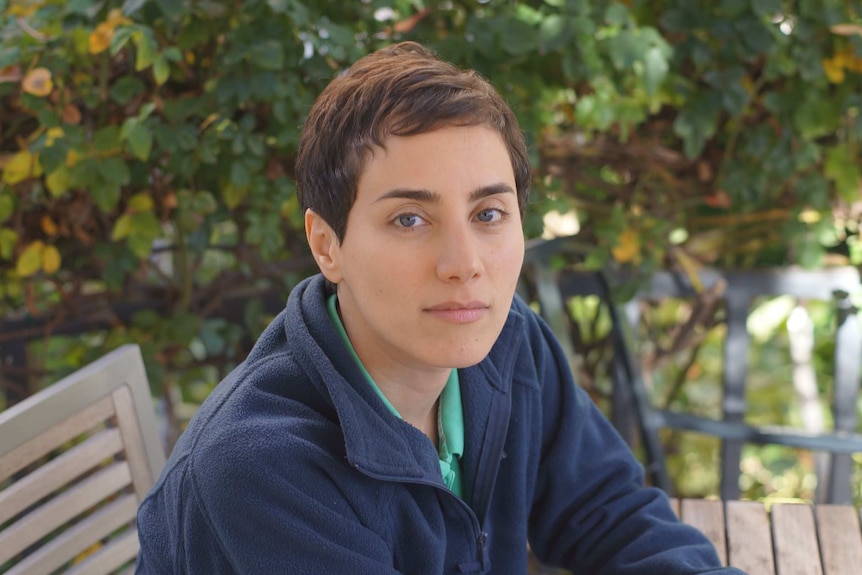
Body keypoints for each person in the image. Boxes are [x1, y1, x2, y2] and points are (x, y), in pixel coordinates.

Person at [135, 41, 745, 574]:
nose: (464, 262)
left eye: (488, 214)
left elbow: (606, 514)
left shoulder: (507, 343)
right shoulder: (260, 471)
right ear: (327, 245)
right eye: (409, 218)